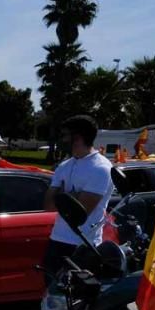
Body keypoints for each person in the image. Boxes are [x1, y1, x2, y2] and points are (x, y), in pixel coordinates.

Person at [41, 115, 113, 284]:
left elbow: (80, 211)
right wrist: (71, 196)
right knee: (52, 294)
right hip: (57, 240)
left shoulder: (101, 168)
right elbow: (48, 205)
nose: (63, 140)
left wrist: (62, 195)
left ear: (78, 137)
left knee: (77, 299)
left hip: (82, 245)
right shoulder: (64, 166)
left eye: (66, 135)